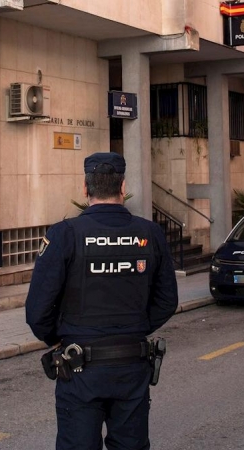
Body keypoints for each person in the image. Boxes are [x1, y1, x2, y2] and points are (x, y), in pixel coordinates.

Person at [25, 152, 178, 450]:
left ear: (85, 188)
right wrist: (136, 327)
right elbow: (167, 299)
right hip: (131, 365)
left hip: (80, 367)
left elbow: (38, 310)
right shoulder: (150, 232)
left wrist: (56, 339)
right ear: (123, 187)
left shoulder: (64, 234)